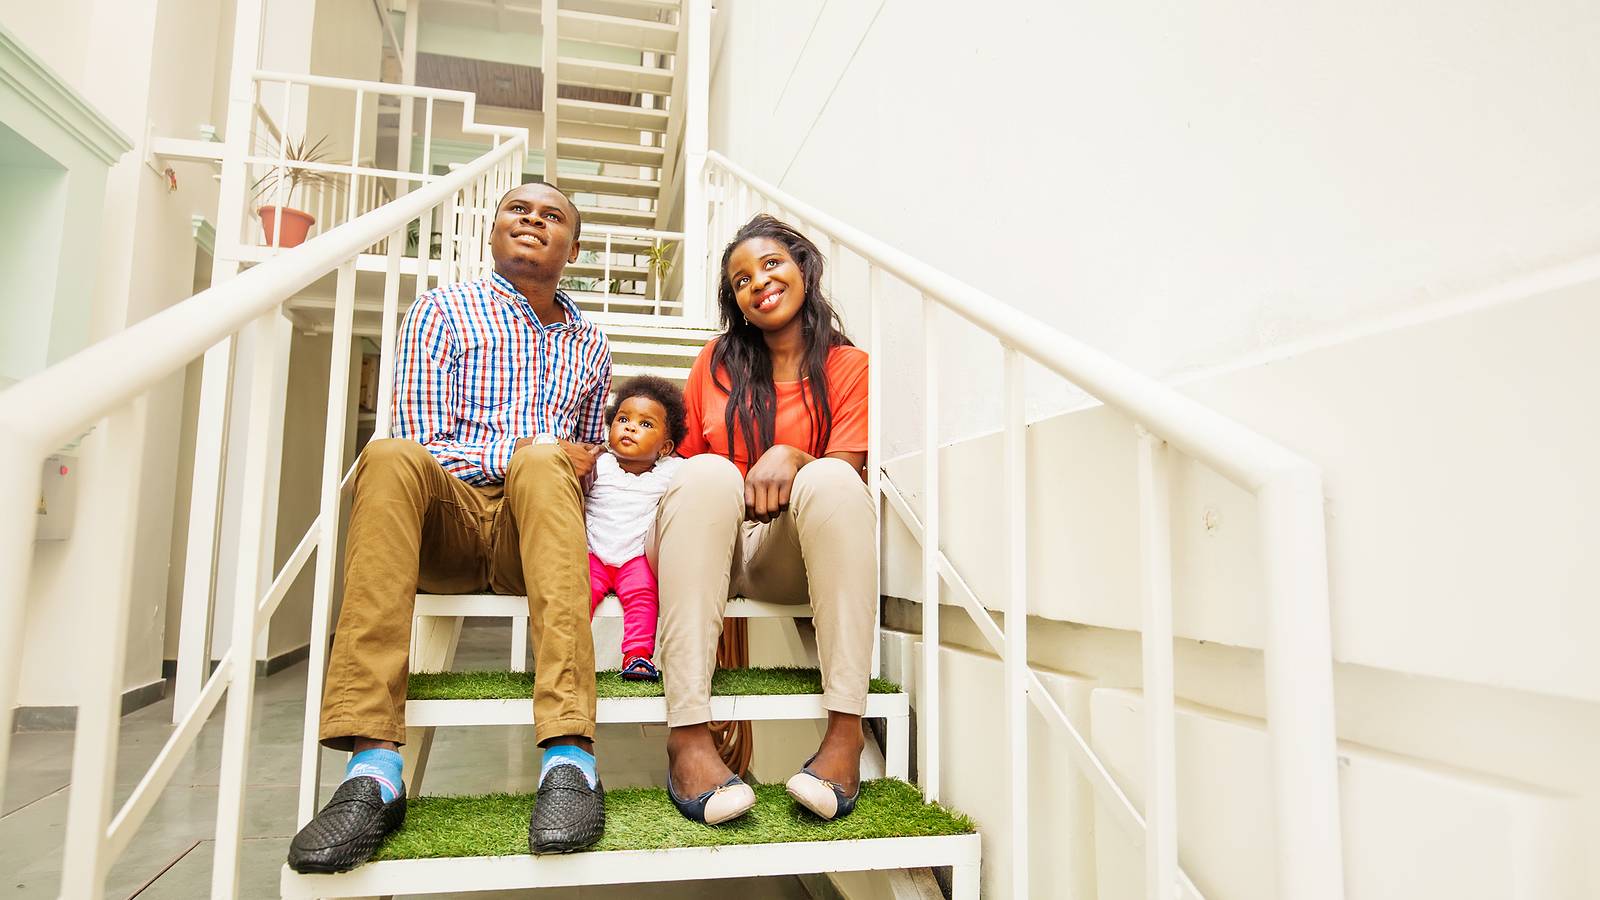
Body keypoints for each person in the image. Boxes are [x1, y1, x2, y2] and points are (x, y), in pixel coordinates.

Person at [287, 181, 612, 873]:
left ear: (574, 247)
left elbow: (585, 457)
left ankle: (570, 755)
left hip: (534, 531)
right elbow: (424, 441)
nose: (532, 220)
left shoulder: (591, 342)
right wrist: (531, 449)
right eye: (517, 210)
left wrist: (553, 459)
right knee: (388, 455)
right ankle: (373, 769)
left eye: (552, 216)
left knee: (546, 464)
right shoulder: (441, 311)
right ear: (493, 232)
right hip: (451, 521)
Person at [650, 215, 873, 825]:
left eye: (772, 264)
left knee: (834, 477)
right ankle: (688, 736)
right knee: (705, 472)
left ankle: (845, 733)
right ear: (736, 301)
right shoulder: (714, 362)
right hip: (707, 549)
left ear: (804, 267)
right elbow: (684, 465)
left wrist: (795, 457)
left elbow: (844, 473)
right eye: (742, 279)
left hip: (782, 556)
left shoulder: (849, 367)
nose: (759, 282)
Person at [584, 376, 686, 681]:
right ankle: (572, 651)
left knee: (644, 595)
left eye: (645, 424)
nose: (630, 428)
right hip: (593, 553)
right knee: (577, 592)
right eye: (623, 419)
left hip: (635, 558)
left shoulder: (672, 471)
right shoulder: (597, 464)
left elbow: (698, 480)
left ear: (665, 447)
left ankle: (638, 655)